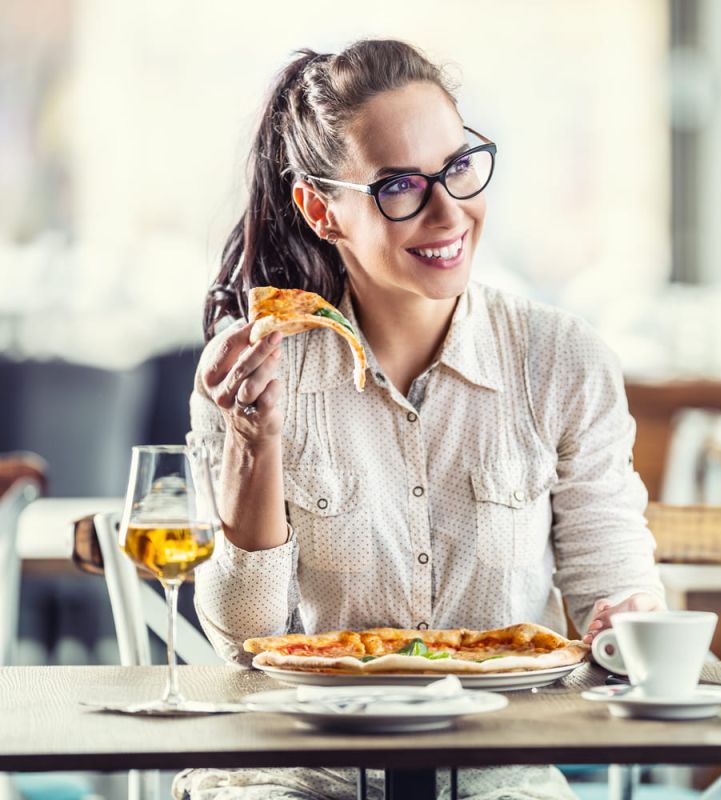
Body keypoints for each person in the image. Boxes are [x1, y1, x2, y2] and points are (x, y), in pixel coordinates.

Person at [176, 39, 665, 800]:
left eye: (460, 167)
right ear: (319, 207)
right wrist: (252, 442)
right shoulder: (254, 369)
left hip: (498, 770)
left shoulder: (561, 360)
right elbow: (245, 643)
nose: (449, 211)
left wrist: (628, 620)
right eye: (400, 185)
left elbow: (617, 596)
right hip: (300, 766)